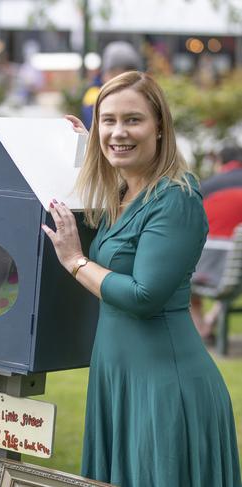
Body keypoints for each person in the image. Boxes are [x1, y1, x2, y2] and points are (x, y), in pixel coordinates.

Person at [44, 71, 241, 486]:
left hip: (165, 386)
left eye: (133, 120)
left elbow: (143, 295)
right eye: (108, 120)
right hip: (119, 379)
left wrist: (76, 260)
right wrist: (80, 144)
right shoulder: (122, 192)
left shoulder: (176, 197)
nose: (119, 131)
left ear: (160, 128)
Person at [191, 145, 242, 339]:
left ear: (220, 163)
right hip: (235, 271)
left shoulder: (207, 186)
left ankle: (202, 326)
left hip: (206, 265)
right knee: (231, 280)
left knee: (186, 280)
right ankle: (211, 320)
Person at [81, 41, 143, 129]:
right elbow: (94, 127)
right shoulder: (94, 95)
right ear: (105, 75)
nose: (121, 80)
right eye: (115, 73)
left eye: (128, 73)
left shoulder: (141, 94)